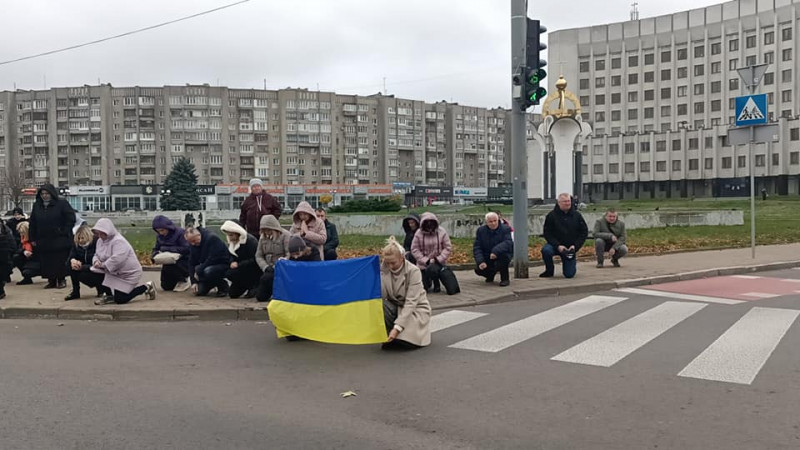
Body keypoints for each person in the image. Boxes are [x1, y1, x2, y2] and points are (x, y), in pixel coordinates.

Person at [380, 235, 431, 350]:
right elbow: (382, 296)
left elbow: (411, 302)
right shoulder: (383, 270)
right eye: (387, 262)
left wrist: (397, 328)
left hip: (416, 308)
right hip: (397, 306)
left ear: (402, 258)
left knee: (406, 342)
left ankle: (398, 333)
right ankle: (388, 334)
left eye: (393, 262)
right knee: (380, 304)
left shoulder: (414, 271)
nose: (390, 266)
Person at [90, 218, 156, 305]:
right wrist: (96, 261)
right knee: (95, 272)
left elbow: (117, 260)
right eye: (98, 233)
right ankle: (109, 295)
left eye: (102, 233)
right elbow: (96, 254)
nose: (100, 235)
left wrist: (102, 265)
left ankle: (146, 287)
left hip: (129, 273)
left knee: (121, 299)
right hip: (114, 271)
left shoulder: (118, 241)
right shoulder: (100, 241)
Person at [28, 184, 75, 289]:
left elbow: (70, 219)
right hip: (43, 238)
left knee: (59, 260)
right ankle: (51, 280)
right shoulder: (37, 205)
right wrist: (32, 238)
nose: (44, 196)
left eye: (47, 193)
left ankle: (61, 279)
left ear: (52, 194)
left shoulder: (61, 203)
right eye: (42, 194)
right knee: (47, 261)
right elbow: (33, 222)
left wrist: (63, 231)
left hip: (59, 238)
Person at [540, 193, 589, 279]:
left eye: (569, 201)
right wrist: (558, 245)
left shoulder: (577, 215)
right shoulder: (551, 216)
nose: (567, 203)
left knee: (569, 275)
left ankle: (569, 264)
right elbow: (547, 233)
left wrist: (575, 246)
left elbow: (584, 232)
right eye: (565, 201)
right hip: (555, 245)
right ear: (559, 203)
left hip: (570, 247)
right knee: (546, 250)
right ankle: (549, 270)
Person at [410, 212, 453, 293]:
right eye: (427, 223)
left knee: (433, 269)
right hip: (422, 264)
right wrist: (425, 260)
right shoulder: (418, 233)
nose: (429, 225)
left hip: (438, 263)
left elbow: (447, 248)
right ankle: (428, 281)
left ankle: (436, 282)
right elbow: (415, 249)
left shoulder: (442, 232)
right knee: (423, 288)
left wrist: (438, 259)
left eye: (431, 223)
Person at [185, 227, 231, 297]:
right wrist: (193, 282)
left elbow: (213, 258)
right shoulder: (193, 245)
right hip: (206, 266)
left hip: (221, 264)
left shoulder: (212, 238)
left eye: (194, 241)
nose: (193, 244)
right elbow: (191, 262)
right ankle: (209, 283)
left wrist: (198, 270)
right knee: (200, 292)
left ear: (199, 235)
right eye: (190, 242)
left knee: (208, 271)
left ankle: (223, 286)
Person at [64, 224, 105, 300]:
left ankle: (101, 289)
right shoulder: (77, 245)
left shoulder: (97, 243)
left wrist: (82, 267)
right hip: (84, 268)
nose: (80, 241)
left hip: (95, 269)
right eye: (78, 238)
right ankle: (75, 292)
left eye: (82, 238)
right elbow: (71, 257)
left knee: (97, 271)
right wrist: (73, 261)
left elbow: (98, 262)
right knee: (70, 266)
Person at [220, 220, 260, 299]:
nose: (230, 238)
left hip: (251, 270)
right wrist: (232, 262)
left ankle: (253, 285)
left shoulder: (250, 241)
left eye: (231, 235)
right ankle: (244, 284)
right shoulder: (232, 242)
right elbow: (230, 256)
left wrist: (239, 264)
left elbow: (255, 259)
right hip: (240, 269)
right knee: (233, 294)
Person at [151, 215, 192, 292]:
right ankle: (177, 280)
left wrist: (166, 249)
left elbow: (186, 248)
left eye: (162, 230)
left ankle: (184, 280)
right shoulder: (159, 236)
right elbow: (156, 248)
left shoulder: (181, 233)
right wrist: (154, 255)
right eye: (158, 231)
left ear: (168, 227)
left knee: (170, 266)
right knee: (166, 287)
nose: (161, 233)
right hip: (167, 261)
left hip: (183, 260)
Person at [255, 215, 290, 302]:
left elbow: (288, 254)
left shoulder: (285, 235)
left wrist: (278, 265)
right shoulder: (262, 238)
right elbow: (258, 255)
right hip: (267, 268)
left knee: (266, 279)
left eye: (269, 230)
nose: (267, 232)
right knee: (260, 297)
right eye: (265, 230)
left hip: (280, 267)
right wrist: (265, 267)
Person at [473, 212, 514, 287]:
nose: (493, 223)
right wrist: (480, 261)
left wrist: (495, 251)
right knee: (479, 269)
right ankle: (490, 275)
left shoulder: (505, 229)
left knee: (502, 260)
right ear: (486, 222)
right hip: (487, 254)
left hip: (502, 254)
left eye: (495, 221)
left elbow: (508, 242)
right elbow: (477, 247)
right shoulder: (481, 231)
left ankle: (505, 279)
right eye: (490, 222)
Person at [13, 221, 39, 285]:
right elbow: (17, 250)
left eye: (22, 233)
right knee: (16, 257)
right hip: (28, 261)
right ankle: (27, 278)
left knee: (27, 272)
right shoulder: (23, 241)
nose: (21, 234)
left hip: (37, 261)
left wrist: (31, 253)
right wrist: (24, 251)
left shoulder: (35, 240)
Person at [0, 219, 15, 299]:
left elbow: (10, 241)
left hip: (3, 252)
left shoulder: (4, 229)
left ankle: (1, 291)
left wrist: (11, 250)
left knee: (2, 272)